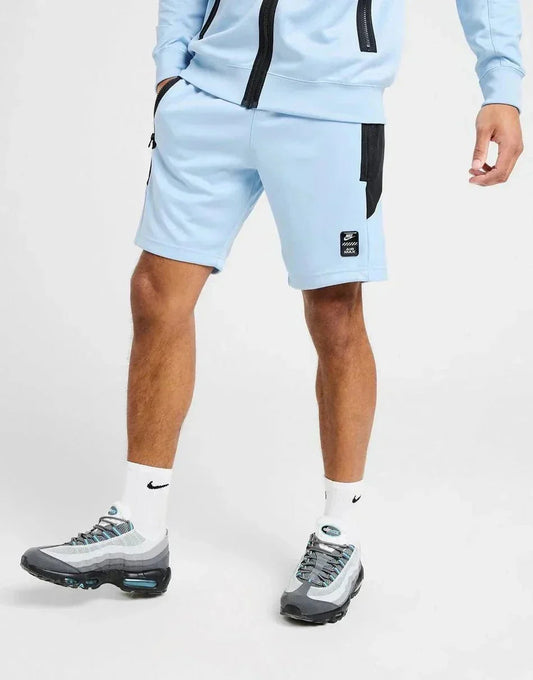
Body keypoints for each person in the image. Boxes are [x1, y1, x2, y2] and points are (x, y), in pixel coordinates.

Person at [21, 0, 524, 623]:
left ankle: (340, 534)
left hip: (329, 107)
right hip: (208, 97)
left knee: (336, 313)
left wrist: (502, 87)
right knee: (155, 291)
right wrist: (170, 71)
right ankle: (139, 527)